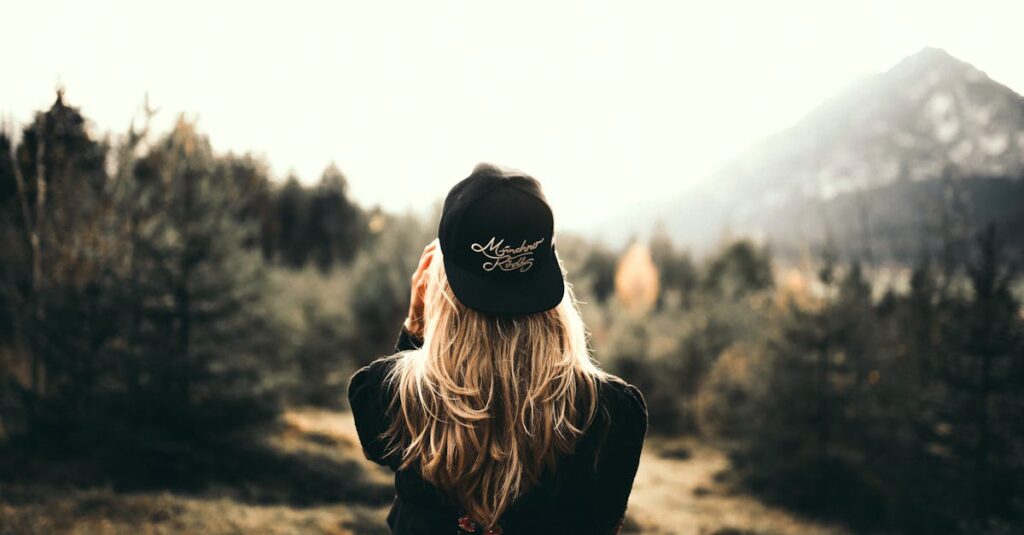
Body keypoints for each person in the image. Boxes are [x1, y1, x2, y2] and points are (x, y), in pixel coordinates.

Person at [348, 163, 648, 534]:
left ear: (437, 280)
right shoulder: (613, 416)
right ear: (550, 274)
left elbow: (382, 446)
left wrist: (416, 325)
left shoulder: (389, 396)